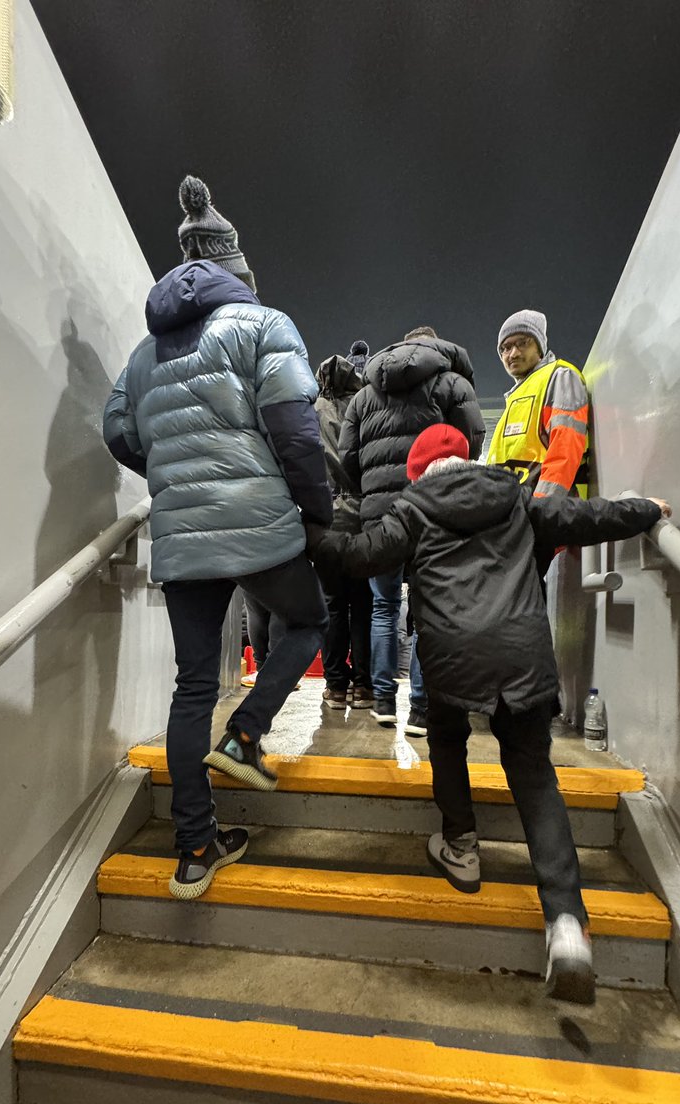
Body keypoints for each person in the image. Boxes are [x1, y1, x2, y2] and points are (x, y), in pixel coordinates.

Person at [307, 424, 670, 1003]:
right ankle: (567, 924)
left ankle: (462, 846)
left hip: (450, 655)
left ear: (418, 474)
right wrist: (644, 507)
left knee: (447, 738)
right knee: (532, 772)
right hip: (523, 653)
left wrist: (305, 523)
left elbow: (352, 557)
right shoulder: (516, 499)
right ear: (471, 461)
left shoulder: (411, 511)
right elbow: (587, 516)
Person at [103, 174, 331, 901]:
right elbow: (296, 429)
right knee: (308, 621)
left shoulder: (143, 355)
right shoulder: (265, 325)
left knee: (192, 685)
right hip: (260, 521)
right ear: (239, 273)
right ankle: (247, 733)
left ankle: (195, 849)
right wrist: (316, 511)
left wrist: (169, 472)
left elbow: (118, 430)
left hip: (182, 535)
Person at [338, 327, 484, 736]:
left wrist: (370, 492)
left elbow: (346, 457)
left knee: (382, 609)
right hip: (434, 512)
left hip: (380, 516)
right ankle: (420, 709)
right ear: (435, 346)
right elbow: (470, 442)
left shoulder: (365, 395)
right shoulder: (451, 383)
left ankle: (383, 701)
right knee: (426, 614)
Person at [487, 310, 590, 577]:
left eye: (523, 343)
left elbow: (566, 447)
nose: (513, 354)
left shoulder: (560, 377)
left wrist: (543, 510)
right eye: (505, 348)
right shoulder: (517, 395)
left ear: (540, 347)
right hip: (515, 525)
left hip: (541, 522)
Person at [314, 353, 373, 708]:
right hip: (365, 520)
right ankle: (363, 687)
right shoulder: (367, 407)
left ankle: (336, 685)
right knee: (364, 606)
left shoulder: (313, 408)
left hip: (327, 521)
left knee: (333, 606)